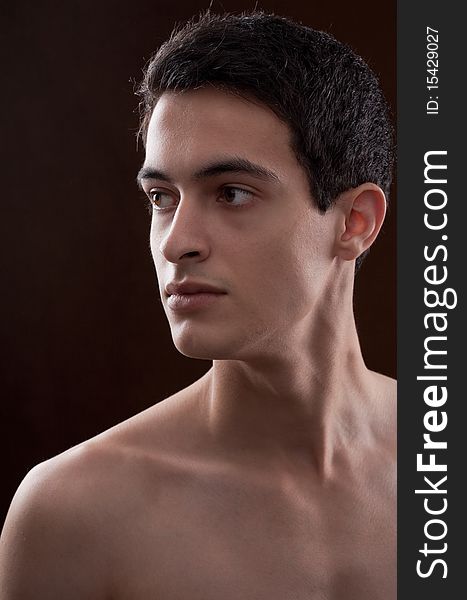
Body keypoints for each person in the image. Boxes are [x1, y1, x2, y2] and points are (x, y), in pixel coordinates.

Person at [0, 11, 396, 599]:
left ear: (354, 222)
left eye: (231, 193)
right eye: (161, 197)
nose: (176, 241)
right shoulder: (74, 514)